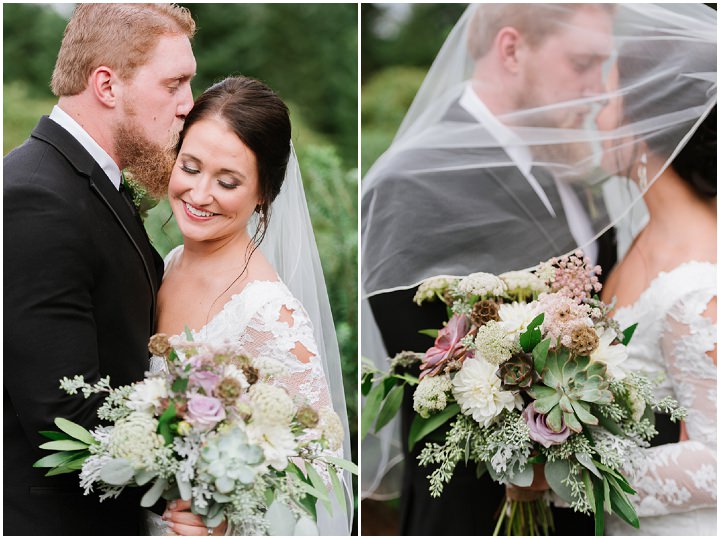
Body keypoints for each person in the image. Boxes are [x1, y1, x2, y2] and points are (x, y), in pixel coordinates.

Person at [361, 3, 617, 535]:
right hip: (476, 513)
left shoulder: (569, 164)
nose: (599, 87)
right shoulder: (413, 182)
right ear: (511, 49)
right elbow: (426, 369)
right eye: (582, 62)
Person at [3, 3, 196, 535]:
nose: (188, 105)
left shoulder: (85, 181)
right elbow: (64, 413)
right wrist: (207, 474)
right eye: (175, 83)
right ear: (107, 86)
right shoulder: (34, 197)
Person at [143, 76, 353, 536]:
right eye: (191, 167)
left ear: (264, 193)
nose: (199, 195)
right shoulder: (164, 265)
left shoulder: (271, 316)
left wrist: (224, 524)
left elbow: (318, 482)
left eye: (228, 181)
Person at [595, 20, 717, 535]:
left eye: (606, 100)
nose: (596, 120)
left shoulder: (699, 280)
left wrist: (566, 477)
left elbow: (714, 462)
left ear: (645, 118)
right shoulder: (640, 238)